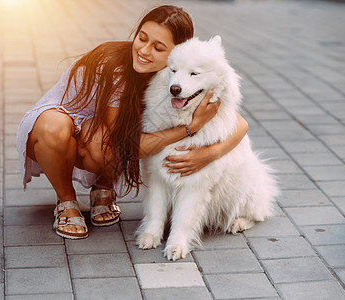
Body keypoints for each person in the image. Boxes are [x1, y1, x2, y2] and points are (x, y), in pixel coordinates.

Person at [16, 5, 249, 240]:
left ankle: (103, 188)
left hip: (100, 134)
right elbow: (127, 146)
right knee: (67, 131)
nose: (144, 51)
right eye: (142, 38)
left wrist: (210, 153)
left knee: (104, 143)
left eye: (158, 47)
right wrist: (190, 128)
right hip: (58, 127)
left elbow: (239, 124)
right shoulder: (117, 68)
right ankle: (66, 202)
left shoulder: (179, 77)